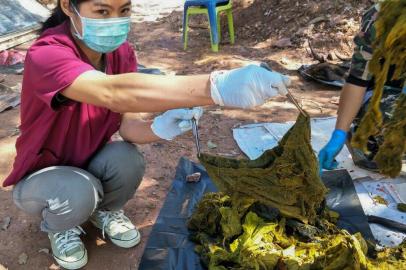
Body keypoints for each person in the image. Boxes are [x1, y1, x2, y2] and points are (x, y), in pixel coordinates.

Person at [3, 0, 291, 269]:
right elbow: (112, 92)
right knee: (78, 191)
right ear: (68, 6)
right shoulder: (47, 53)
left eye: (124, 10)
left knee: (127, 158)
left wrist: (160, 127)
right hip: (44, 175)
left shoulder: (122, 53)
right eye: (102, 11)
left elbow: (129, 127)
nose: (115, 21)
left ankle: (105, 211)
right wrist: (216, 88)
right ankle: (61, 227)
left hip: (89, 161)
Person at [318, 2, 405, 173]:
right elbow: (357, 81)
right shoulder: (379, 19)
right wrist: (339, 135)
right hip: (386, 95)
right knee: (389, 134)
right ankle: (364, 139)